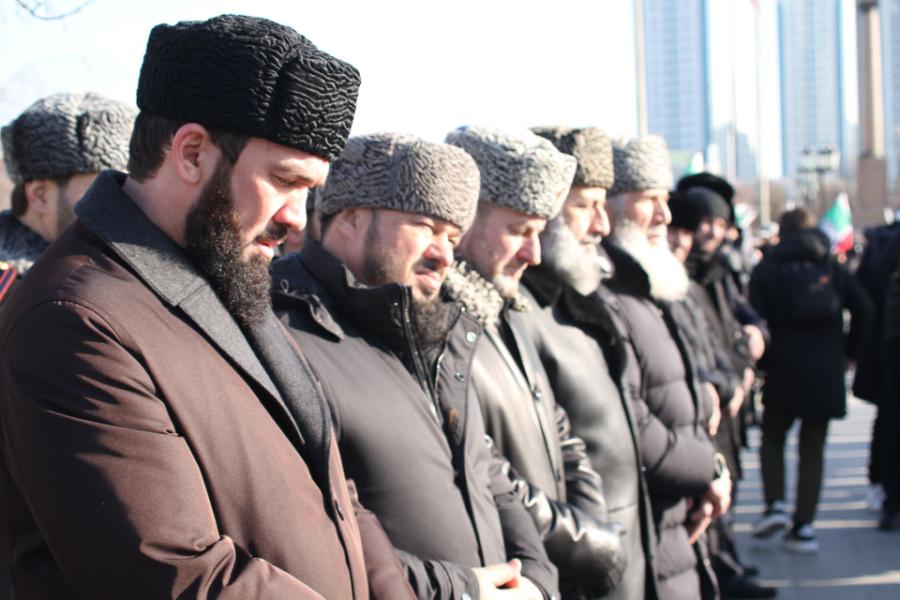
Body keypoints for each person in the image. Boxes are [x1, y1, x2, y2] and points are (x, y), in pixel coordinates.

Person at [0, 15, 415, 599]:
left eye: (310, 191)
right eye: (284, 181)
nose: (298, 219)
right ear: (192, 153)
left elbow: (335, 492)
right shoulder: (75, 321)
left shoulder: (227, 269)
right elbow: (179, 574)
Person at [272, 132, 558, 600]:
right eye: (426, 227)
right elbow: (317, 528)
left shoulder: (439, 331)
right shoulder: (285, 332)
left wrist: (536, 581)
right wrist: (460, 589)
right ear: (352, 218)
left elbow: (487, 475)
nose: (444, 255)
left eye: (453, 236)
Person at [442, 125, 626, 598]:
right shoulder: (438, 327)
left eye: (539, 233)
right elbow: (487, 469)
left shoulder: (505, 307)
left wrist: (592, 522)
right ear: (464, 218)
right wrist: (583, 539)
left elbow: (560, 430)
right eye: (519, 231)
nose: (534, 253)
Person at [518, 126, 658, 600]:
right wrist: (589, 539)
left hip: (624, 545)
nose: (601, 225)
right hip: (580, 562)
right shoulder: (522, 313)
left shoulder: (584, 298)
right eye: (585, 205)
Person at [601, 135, 730, 600]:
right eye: (648, 199)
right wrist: (708, 470)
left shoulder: (648, 286)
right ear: (609, 205)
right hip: (649, 525)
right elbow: (634, 419)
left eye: (665, 199)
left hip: (679, 518)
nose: (664, 216)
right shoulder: (605, 296)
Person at [667, 194, 776, 600]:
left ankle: (726, 564)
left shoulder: (720, 271)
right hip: (703, 407)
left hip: (724, 398)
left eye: (719, 223)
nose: (708, 232)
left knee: (727, 488)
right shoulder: (676, 279)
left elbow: (731, 325)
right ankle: (720, 571)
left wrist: (754, 338)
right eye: (702, 224)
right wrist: (723, 386)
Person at [749, 208, 872, 553]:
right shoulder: (831, 265)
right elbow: (865, 308)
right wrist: (850, 353)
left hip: (783, 369)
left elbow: (755, 320)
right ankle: (804, 526)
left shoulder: (768, 268)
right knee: (813, 446)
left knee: (773, 436)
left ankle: (775, 503)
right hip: (826, 370)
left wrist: (762, 364)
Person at [0, 92, 134, 298]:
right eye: (102, 188)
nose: (120, 204)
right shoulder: (18, 287)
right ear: (40, 196)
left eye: (126, 187)